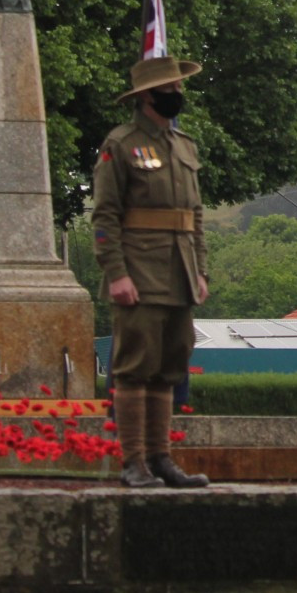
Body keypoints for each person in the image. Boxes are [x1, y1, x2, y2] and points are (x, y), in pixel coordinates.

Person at [91, 54, 211, 488]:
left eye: (179, 88)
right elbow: (105, 218)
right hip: (139, 271)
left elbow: (194, 217)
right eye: (170, 88)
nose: (178, 94)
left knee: (169, 365)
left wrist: (200, 271)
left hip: (179, 272)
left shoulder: (185, 146)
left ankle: (161, 459)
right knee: (135, 366)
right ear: (146, 96)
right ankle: (133, 462)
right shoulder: (120, 145)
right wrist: (117, 273)